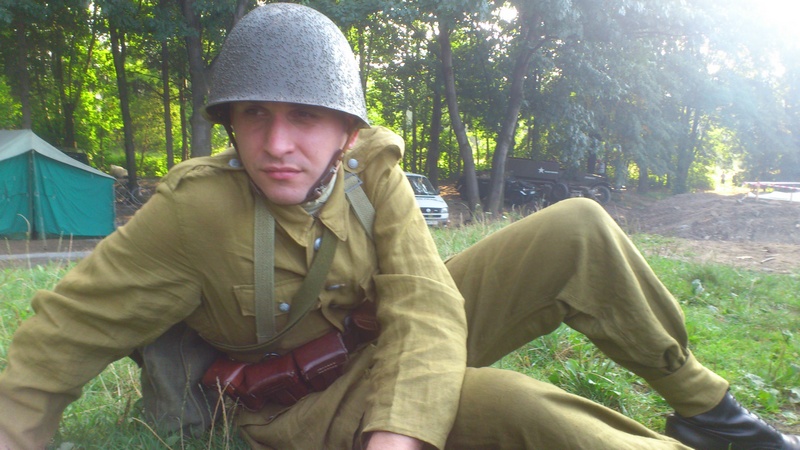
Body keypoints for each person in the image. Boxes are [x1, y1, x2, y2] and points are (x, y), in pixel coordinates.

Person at [0, 3, 797, 449]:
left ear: (346, 130)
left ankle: (709, 412)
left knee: (579, 227)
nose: (277, 143)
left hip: (380, 346)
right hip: (290, 408)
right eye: (255, 115)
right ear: (231, 123)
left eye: (305, 117)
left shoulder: (372, 172)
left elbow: (425, 301)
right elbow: (62, 334)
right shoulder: (194, 210)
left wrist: (397, 434)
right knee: (515, 407)